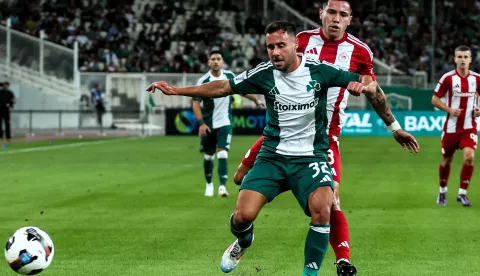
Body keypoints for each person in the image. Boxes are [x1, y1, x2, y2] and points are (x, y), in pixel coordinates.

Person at [147, 20, 378, 276]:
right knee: (242, 217)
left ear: (296, 44)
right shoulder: (264, 73)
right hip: (273, 156)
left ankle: (309, 274)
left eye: (281, 45)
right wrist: (176, 90)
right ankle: (244, 241)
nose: (275, 52)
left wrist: (361, 85)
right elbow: (223, 86)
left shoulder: (321, 70)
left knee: (324, 209)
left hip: (311, 157)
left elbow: (365, 80)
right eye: (270, 47)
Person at [233, 1, 420, 275]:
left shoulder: (359, 51)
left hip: (323, 137)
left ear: (350, 19)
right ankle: (243, 236)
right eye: (331, 12)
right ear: (321, 14)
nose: (335, 19)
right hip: (279, 132)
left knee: (330, 201)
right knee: (239, 179)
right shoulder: (299, 41)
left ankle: (342, 260)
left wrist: (393, 127)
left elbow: (372, 89)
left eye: (342, 14)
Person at [192, 50, 264, 197]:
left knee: (223, 153)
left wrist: (255, 100)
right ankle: (209, 185)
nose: (216, 61)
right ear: (209, 62)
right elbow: (195, 103)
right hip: (208, 125)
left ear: (223, 62)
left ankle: (222, 188)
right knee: (208, 156)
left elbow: (242, 90)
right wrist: (201, 123)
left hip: (225, 123)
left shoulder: (229, 76)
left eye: (219, 59)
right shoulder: (203, 81)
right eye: (213, 59)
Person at [431, 45, 480, 207]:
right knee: (447, 160)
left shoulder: (477, 79)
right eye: (460, 57)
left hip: (469, 126)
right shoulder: (448, 78)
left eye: (466, 57)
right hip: (451, 128)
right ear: (455, 59)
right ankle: (442, 191)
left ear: (471, 59)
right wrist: (449, 109)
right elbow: (435, 99)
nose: (463, 60)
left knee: (469, 157)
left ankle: (462, 193)